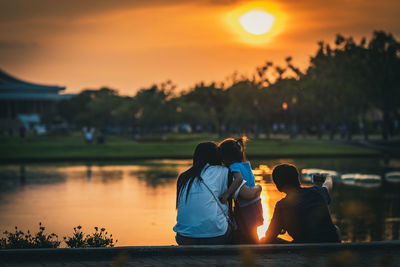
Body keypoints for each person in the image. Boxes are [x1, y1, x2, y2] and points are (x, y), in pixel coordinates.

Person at [173, 142, 262, 245]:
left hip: (184, 238)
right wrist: (259, 187)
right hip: (216, 237)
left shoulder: (183, 177)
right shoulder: (224, 172)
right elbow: (248, 194)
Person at [263, 164, 340, 243]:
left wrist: (280, 227)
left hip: (306, 251)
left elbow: (269, 237)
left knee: (268, 240)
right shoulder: (317, 192)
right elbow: (328, 185)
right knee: (336, 229)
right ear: (298, 179)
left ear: (278, 185)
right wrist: (328, 177)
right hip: (331, 247)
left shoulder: (281, 206)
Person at [218, 137, 264, 244]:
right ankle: (255, 246)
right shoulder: (245, 164)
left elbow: (239, 179)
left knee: (247, 230)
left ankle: (254, 249)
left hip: (246, 205)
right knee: (253, 230)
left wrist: (227, 193)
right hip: (256, 202)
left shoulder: (234, 166)